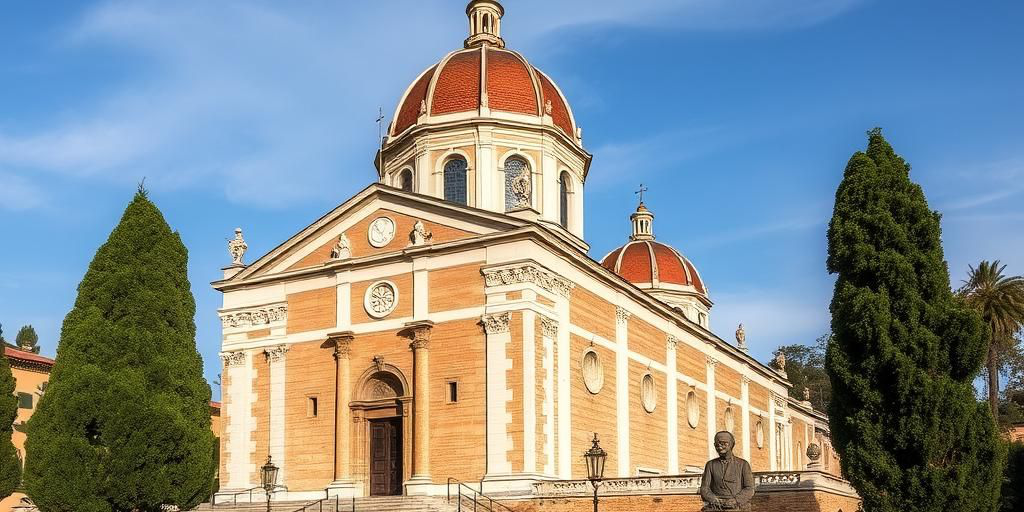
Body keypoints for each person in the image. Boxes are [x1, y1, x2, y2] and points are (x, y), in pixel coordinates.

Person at [700, 431, 755, 511]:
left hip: (736, 507)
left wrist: (735, 501)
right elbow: (704, 488)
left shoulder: (743, 464)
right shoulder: (710, 465)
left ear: (731, 444)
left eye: (723, 443)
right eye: (716, 444)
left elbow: (749, 488)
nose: (719, 447)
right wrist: (715, 500)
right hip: (716, 507)